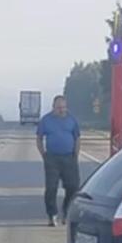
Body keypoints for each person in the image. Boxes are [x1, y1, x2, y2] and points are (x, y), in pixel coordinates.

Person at [36, 96, 81, 227]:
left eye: (63, 107)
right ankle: (52, 215)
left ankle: (66, 212)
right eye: (59, 108)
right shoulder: (46, 120)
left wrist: (75, 155)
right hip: (52, 158)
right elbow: (39, 138)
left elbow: (77, 138)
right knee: (51, 188)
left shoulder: (72, 120)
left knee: (73, 187)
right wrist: (43, 154)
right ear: (53, 107)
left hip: (69, 158)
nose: (62, 110)